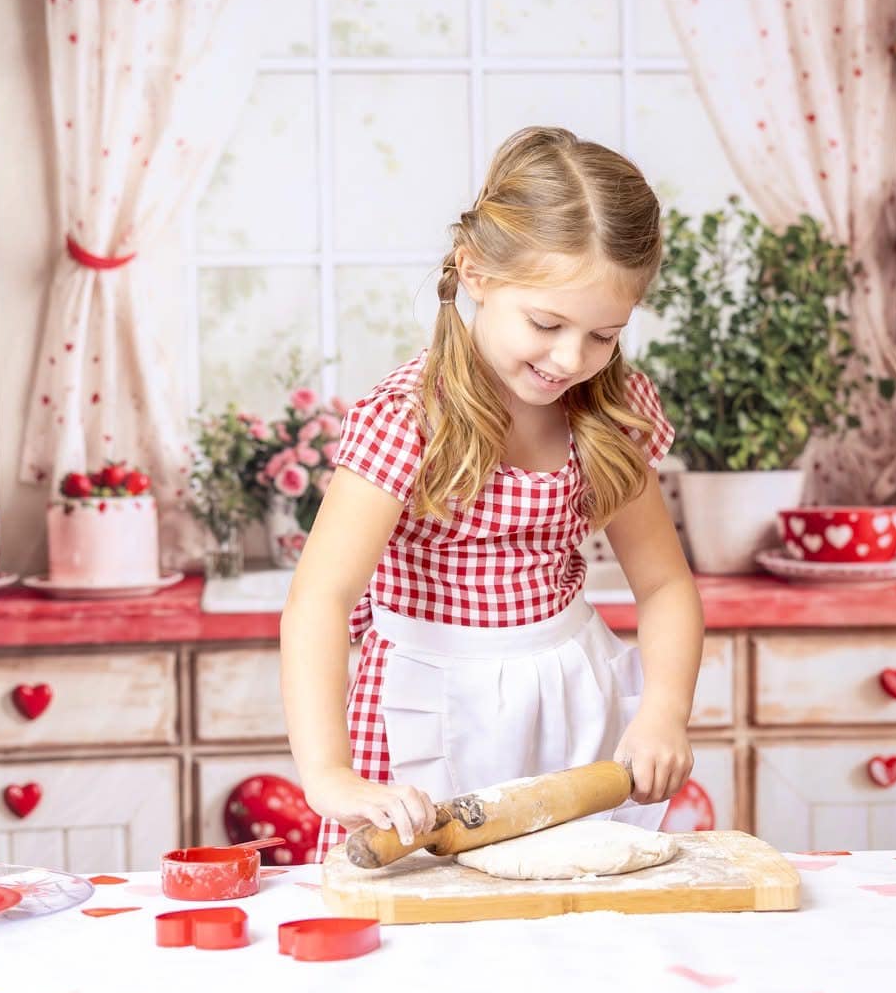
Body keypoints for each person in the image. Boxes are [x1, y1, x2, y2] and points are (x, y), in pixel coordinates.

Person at [281, 126, 703, 860]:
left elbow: (665, 584)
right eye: (547, 322)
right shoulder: (408, 419)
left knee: (569, 922)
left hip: (570, 703)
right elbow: (319, 597)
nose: (572, 358)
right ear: (475, 273)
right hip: (424, 707)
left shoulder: (608, 411)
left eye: (604, 333)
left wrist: (664, 711)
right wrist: (328, 773)